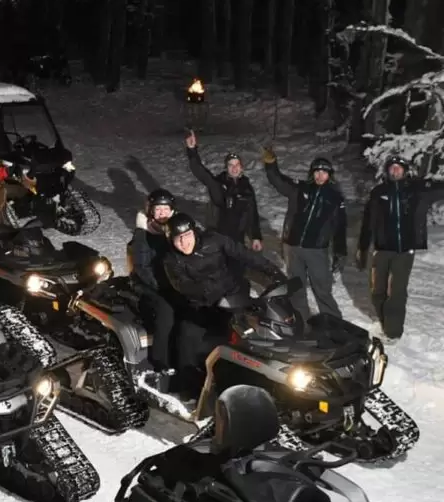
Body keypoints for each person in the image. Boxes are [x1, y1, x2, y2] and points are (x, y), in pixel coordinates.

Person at [162, 212, 283, 395]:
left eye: (187, 235)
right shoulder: (171, 260)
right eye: (178, 238)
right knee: (187, 338)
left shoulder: (214, 240)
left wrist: (271, 270)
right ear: (171, 240)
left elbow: (244, 254)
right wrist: (209, 291)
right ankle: (191, 390)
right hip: (201, 306)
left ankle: (270, 379)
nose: (184, 242)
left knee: (256, 332)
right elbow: (183, 285)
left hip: (232, 299)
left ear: (194, 232)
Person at [356, 155, 444, 340]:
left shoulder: (416, 190)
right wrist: (363, 247)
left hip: (405, 250)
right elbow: (368, 222)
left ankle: (393, 333)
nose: (395, 171)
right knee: (377, 291)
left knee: (396, 292)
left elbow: (438, 189)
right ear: (387, 171)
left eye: (399, 168)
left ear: (405, 171)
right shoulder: (379, 192)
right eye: (392, 168)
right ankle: (385, 321)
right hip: (381, 249)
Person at [263, 150, 347, 319]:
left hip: (317, 251)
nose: (320, 175)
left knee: (322, 289)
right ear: (312, 173)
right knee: (297, 288)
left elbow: (340, 228)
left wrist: (340, 252)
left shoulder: (335, 198)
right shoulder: (300, 189)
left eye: (324, 172)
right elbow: (278, 180)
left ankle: (333, 322)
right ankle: (302, 320)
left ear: (329, 175)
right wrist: (271, 164)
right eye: (317, 171)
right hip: (293, 247)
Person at [127, 188, 178, 380]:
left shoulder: (174, 231)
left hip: (171, 281)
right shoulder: (143, 234)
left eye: (166, 209)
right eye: (158, 209)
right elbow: (142, 267)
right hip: (147, 283)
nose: (162, 213)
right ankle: (160, 360)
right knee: (167, 310)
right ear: (151, 211)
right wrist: (162, 286)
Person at [184, 131, 262, 249]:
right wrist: (192, 150)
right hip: (219, 238)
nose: (234, 168)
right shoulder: (219, 184)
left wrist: (255, 237)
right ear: (226, 168)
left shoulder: (247, 188)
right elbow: (201, 173)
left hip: (238, 239)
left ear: (241, 168)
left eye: (237, 165)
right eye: (231, 165)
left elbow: (252, 213)